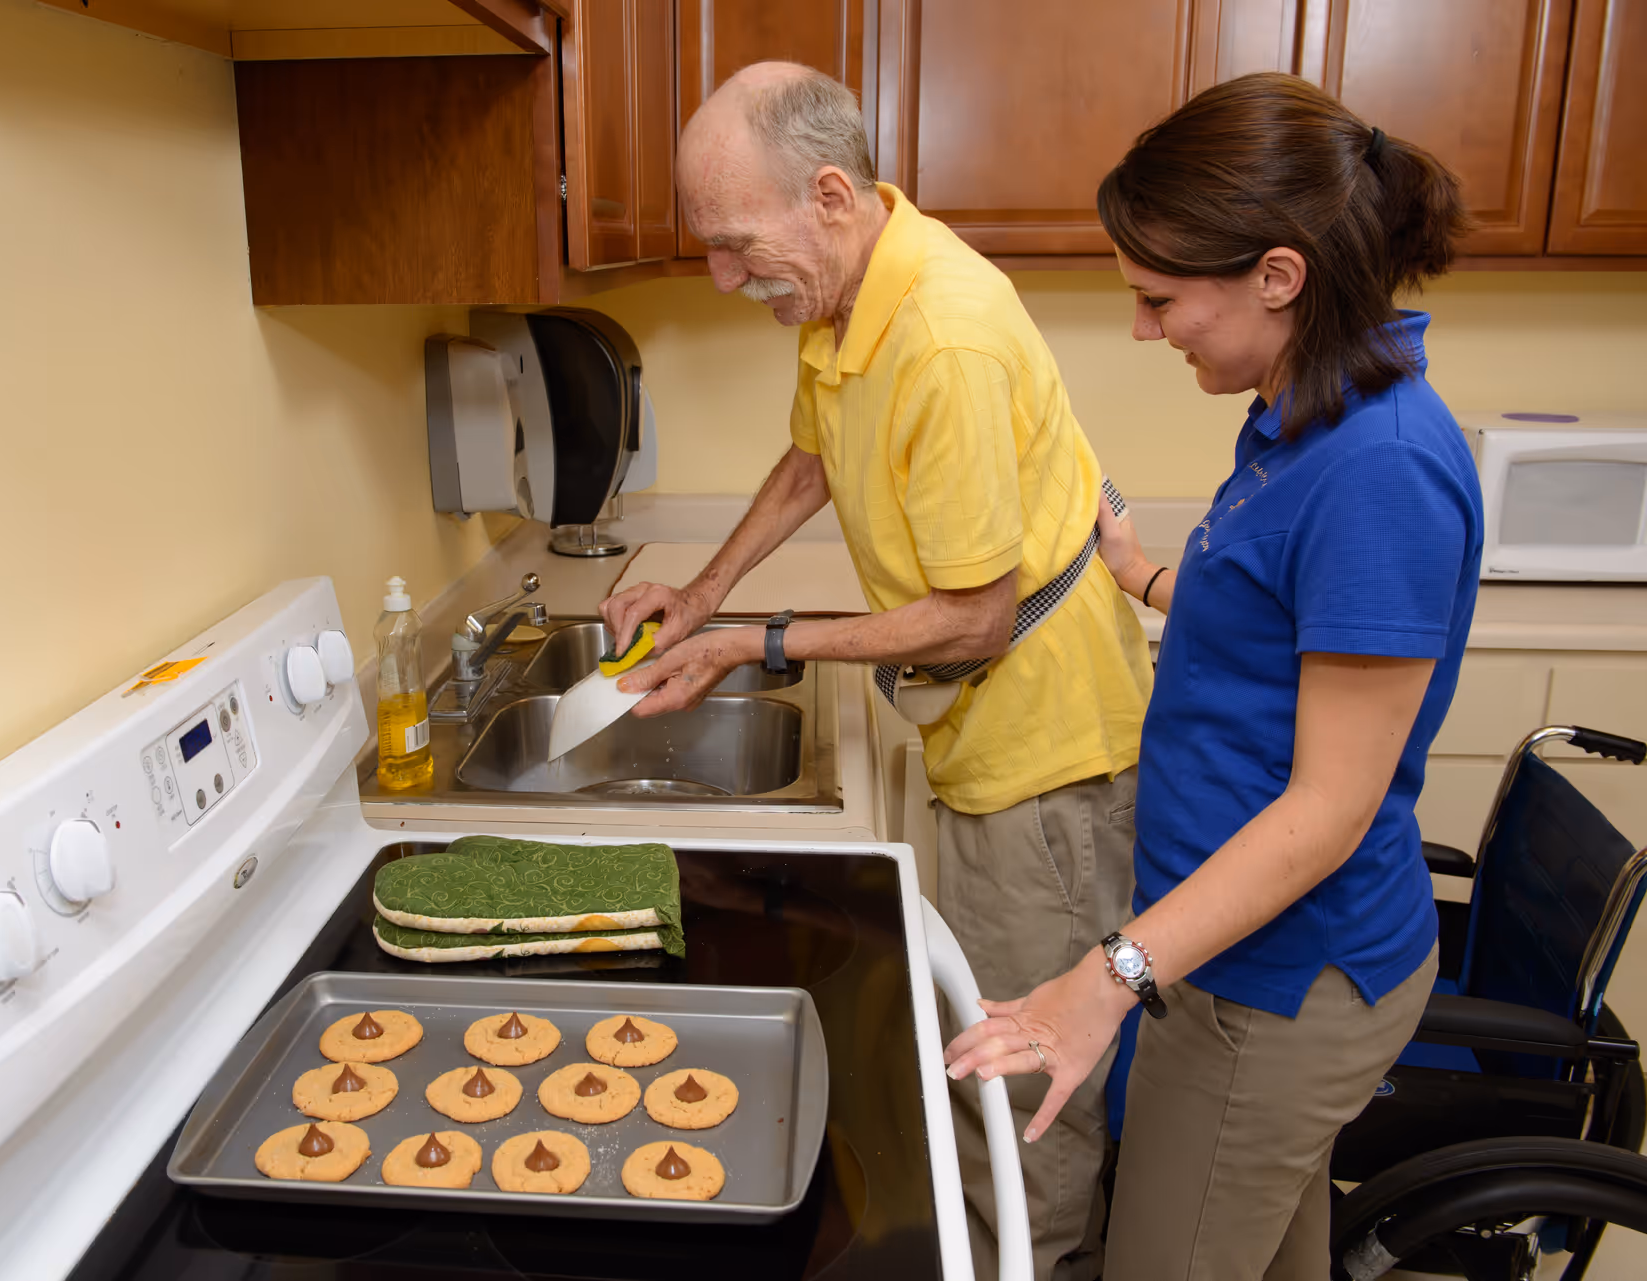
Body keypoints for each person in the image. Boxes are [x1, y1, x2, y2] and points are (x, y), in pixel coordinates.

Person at [598, 62, 1152, 1280]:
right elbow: (813, 457)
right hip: (988, 746)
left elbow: (974, 620)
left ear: (832, 194)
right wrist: (705, 593)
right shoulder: (857, 292)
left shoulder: (943, 336)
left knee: (1024, 1100)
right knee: (981, 1061)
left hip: (1044, 765)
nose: (725, 278)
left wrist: (760, 641)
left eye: (738, 246)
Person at [944, 71, 1483, 1280]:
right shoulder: (1304, 411)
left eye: (1159, 297)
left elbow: (1331, 805)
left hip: (1281, 981)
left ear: (1278, 277)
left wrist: (1108, 976)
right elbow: (1284, 632)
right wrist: (1141, 577)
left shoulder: (1379, 470)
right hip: (1230, 958)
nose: (1145, 329)